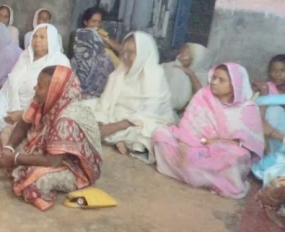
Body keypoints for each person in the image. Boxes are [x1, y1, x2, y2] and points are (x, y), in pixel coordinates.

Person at [0, 66, 102, 211]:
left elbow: (53, 161)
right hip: (48, 146)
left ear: (54, 91)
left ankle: (18, 165)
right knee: (7, 134)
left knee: (35, 181)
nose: (35, 88)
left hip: (72, 165)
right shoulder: (43, 99)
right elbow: (24, 123)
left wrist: (14, 158)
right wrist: (9, 148)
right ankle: (15, 161)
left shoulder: (66, 119)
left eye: (40, 86)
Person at [152, 63, 264, 199]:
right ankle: (197, 174)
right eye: (214, 77)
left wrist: (217, 142)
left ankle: (200, 175)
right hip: (194, 143)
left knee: (234, 156)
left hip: (222, 149)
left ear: (235, 85)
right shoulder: (204, 95)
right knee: (161, 134)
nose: (214, 82)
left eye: (221, 80)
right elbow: (187, 124)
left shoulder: (247, 108)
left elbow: (248, 143)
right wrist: (185, 144)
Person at [86, 31, 176, 162]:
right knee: (83, 108)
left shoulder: (155, 75)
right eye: (124, 51)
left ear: (144, 54)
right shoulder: (119, 73)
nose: (125, 56)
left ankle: (118, 138)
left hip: (141, 121)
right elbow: (104, 103)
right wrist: (102, 120)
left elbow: (149, 113)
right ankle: (118, 139)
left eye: (131, 52)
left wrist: (112, 127)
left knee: (152, 135)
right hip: (116, 115)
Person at [0, 24, 70, 131]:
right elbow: (10, 83)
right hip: (5, 100)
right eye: (35, 36)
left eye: (42, 37)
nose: (37, 40)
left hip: (30, 111)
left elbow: (55, 100)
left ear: (51, 39)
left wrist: (24, 114)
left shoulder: (60, 62)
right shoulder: (25, 56)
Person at [251, 55, 285, 183]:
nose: (277, 74)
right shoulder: (267, 87)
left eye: (282, 71)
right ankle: (269, 156)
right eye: (274, 70)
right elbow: (254, 110)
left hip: (280, 133)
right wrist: (262, 94)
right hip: (266, 129)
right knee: (274, 110)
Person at [162, 43, 210, 111]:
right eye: (180, 53)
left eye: (183, 55)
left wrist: (191, 74)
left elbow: (203, 97)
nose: (178, 57)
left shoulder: (208, 78)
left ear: (196, 58)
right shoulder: (176, 69)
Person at [71, 27, 115, 98]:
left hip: (99, 100)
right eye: (78, 42)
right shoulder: (75, 60)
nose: (78, 45)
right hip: (77, 97)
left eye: (84, 42)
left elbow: (102, 89)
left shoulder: (105, 61)